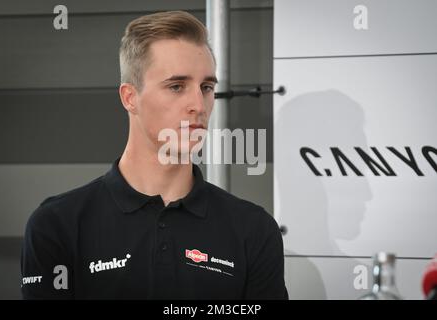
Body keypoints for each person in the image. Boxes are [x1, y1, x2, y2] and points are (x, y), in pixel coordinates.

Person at [21, 10, 288, 300]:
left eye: (207, 87)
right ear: (129, 97)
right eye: (176, 86)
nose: (198, 104)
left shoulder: (254, 230)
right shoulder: (58, 225)